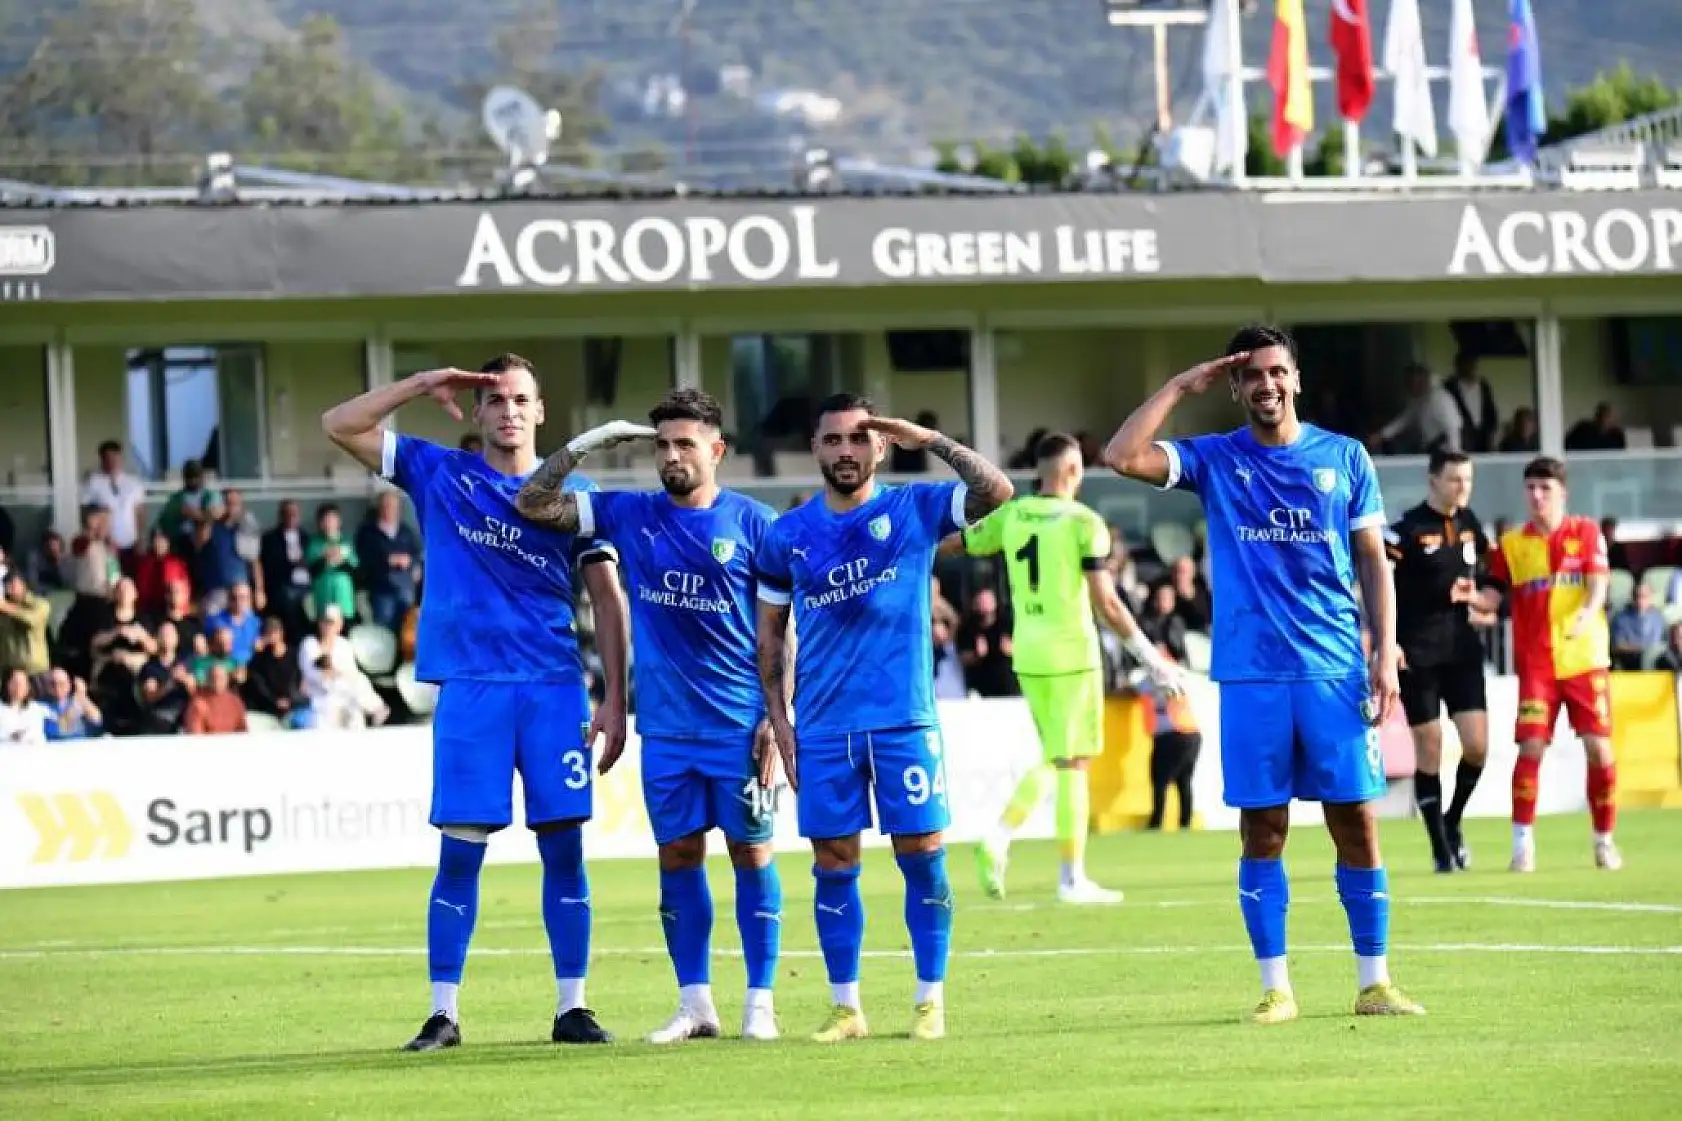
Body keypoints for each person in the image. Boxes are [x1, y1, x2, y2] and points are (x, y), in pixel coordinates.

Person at [1105, 323, 1423, 1025]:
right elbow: (1121, 454)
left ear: (1296, 379)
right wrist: (1180, 387)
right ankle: (1276, 987)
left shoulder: (1344, 457)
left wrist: (1383, 646)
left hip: (1335, 667)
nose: (1266, 385)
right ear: (1235, 386)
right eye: (1251, 375)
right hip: (1251, 674)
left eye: (1277, 371)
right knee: (1264, 828)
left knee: (1357, 822)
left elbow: (1373, 558)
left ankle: (1375, 980)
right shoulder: (1215, 459)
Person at [322, 353, 631, 1053]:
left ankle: (572, 1007)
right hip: (470, 691)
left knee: (566, 851)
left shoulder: (575, 493)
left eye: (520, 397)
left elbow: (608, 601)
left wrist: (613, 698)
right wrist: (421, 384)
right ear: (481, 412)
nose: (508, 410)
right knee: (459, 855)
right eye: (494, 399)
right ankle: (443, 1013)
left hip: (553, 690)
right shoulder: (441, 475)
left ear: (541, 409)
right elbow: (338, 423)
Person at [514, 387, 784, 1044]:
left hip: (739, 727)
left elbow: (782, 633)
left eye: (685, 443)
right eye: (662, 444)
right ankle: (695, 1004)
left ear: (716, 449)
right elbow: (533, 502)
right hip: (665, 730)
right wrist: (585, 445)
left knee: (752, 854)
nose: (671, 455)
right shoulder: (631, 514)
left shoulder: (755, 524)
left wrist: (779, 718)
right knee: (678, 856)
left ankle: (760, 1002)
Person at [754, 393, 1013, 1043]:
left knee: (922, 856)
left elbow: (998, 490)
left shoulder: (914, 507)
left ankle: (930, 998)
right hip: (822, 725)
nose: (846, 450)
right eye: (833, 439)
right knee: (833, 860)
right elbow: (770, 638)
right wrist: (779, 724)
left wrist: (930, 437)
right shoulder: (787, 535)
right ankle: (847, 1005)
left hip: (904, 719)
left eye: (858, 438)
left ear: (880, 446)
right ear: (815, 448)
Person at [950, 431, 1183, 903]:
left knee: (1062, 756)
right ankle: (1029, 854)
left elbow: (964, 543)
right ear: (1073, 472)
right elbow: (1108, 604)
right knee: (1069, 759)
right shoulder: (1084, 523)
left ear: (1039, 471)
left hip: (1029, 654)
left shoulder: (1012, 515)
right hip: (1073, 654)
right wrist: (1153, 659)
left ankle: (1065, 872)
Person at [1475, 457, 1621, 873]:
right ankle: (1522, 845)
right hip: (1537, 664)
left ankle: (1604, 841)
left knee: (1599, 748)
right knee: (1532, 747)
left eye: (1546, 489)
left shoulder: (1585, 532)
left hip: (1584, 659)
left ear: (1562, 493)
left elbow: (1597, 585)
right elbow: (1494, 597)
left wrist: (1586, 613)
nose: (1537, 496)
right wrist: (1470, 602)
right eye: (1531, 489)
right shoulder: (1512, 544)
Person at [1383, 449, 1493, 873]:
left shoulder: (1470, 525)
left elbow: (1488, 576)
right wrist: (1387, 642)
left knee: (1478, 746)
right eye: (1454, 480)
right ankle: (1440, 847)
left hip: (1462, 651)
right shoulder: (1407, 530)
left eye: (1467, 480)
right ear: (1433, 481)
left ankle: (1453, 819)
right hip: (1417, 654)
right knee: (1430, 746)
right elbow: (1378, 584)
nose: (1462, 487)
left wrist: (1484, 602)